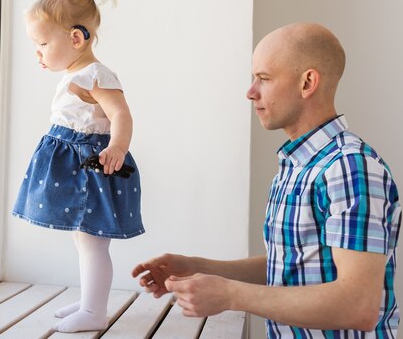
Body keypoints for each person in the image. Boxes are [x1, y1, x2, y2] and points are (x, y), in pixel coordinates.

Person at [132, 22, 401, 338]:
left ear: (308, 83)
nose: (250, 92)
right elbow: (290, 268)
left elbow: (357, 305)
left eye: (264, 78)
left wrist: (230, 294)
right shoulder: (298, 165)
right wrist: (198, 268)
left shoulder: (349, 167)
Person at [12, 0, 144, 333]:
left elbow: (120, 114)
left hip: (91, 169)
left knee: (92, 243)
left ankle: (94, 312)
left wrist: (117, 146)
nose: (37, 52)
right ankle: (90, 301)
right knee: (82, 239)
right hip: (77, 166)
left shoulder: (95, 75)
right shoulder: (77, 74)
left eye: (41, 43)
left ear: (75, 38)